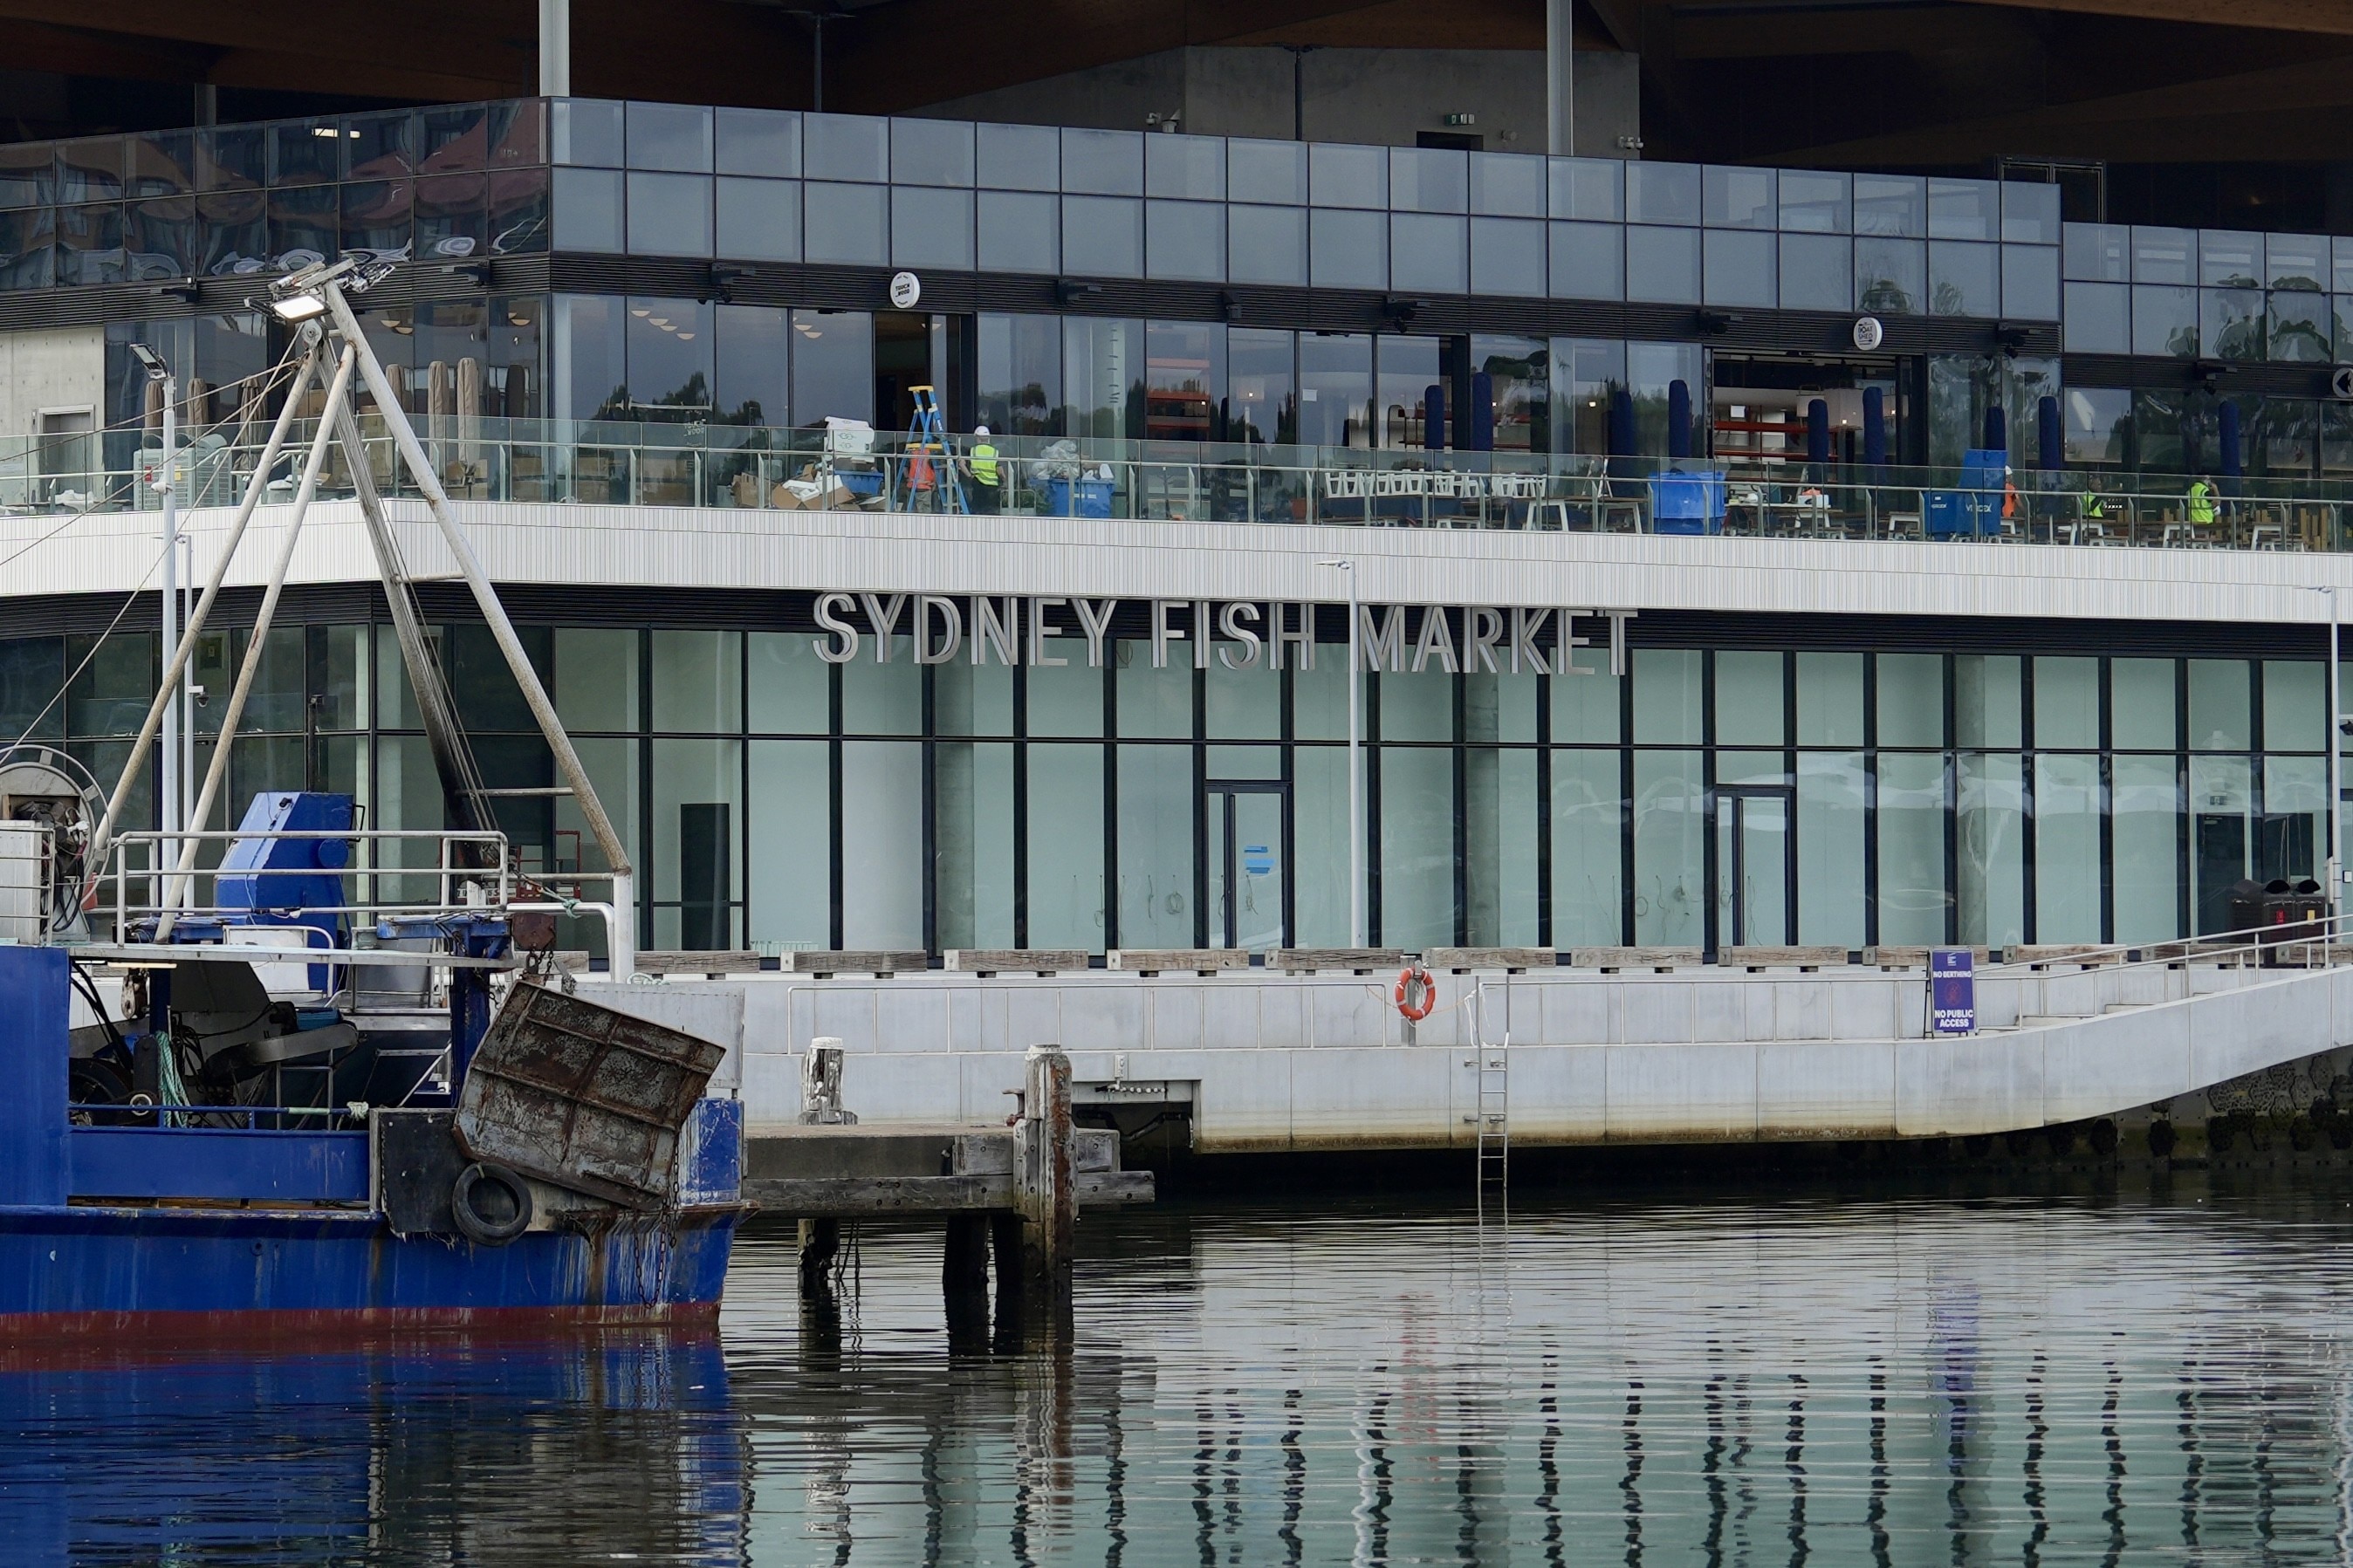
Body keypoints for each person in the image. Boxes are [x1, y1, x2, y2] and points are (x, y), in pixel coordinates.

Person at [966, 424, 1000, 515]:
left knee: (978, 513)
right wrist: (1005, 480)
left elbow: (961, 464)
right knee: (991, 513)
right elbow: (999, 470)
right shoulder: (994, 451)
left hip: (978, 485)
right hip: (992, 488)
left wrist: (970, 476)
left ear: (977, 437)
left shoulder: (973, 450)